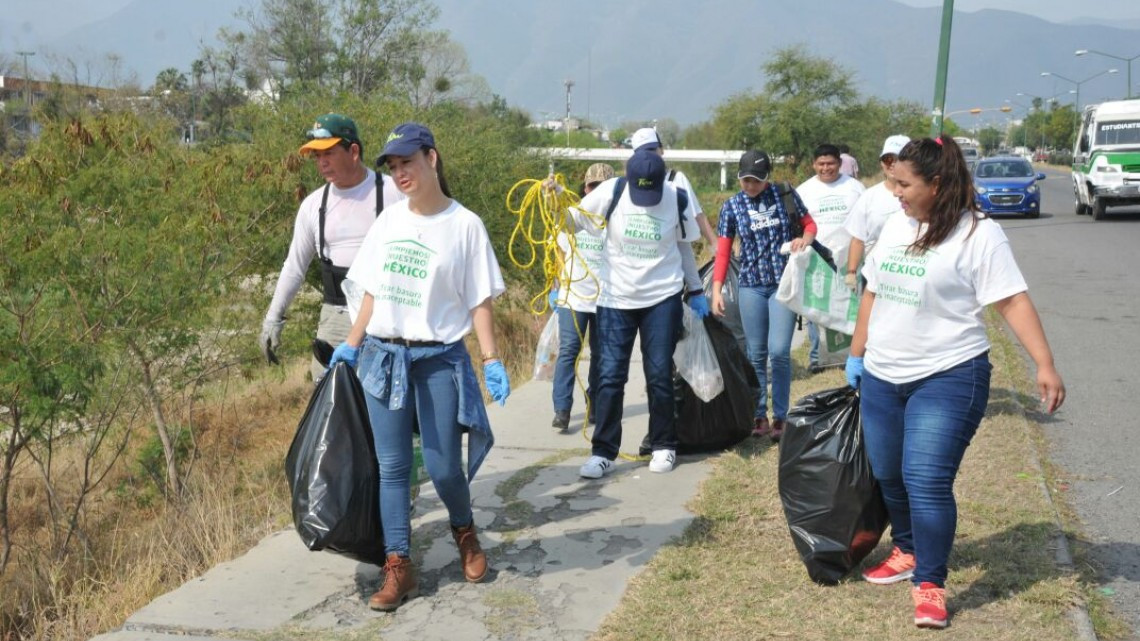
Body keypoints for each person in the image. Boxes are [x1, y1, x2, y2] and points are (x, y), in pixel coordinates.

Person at [845, 136, 1065, 629]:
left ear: (937, 184)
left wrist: (1044, 363)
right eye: (893, 182)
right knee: (889, 474)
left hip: (949, 373)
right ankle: (906, 548)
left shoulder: (978, 234)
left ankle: (930, 583)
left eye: (904, 184)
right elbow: (872, 293)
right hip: (883, 375)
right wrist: (857, 356)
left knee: (925, 479)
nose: (895, 192)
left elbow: (1012, 300)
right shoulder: (896, 224)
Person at [329, 122, 510, 612]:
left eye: (407, 161)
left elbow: (479, 300)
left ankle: (464, 532)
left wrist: (491, 358)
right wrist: (351, 344)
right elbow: (371, 290)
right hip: (384, 357)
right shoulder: (388, 221)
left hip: (437, 360)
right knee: (392, 467)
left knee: (443, 465)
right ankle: (399, 566)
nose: (399, 173)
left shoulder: (465, 225)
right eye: (392, 166)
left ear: (431, 158)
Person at [567, 148, 708, 478]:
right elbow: (572, 222)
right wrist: (554, 202)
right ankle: (603, 452)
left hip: (662, 297)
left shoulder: (676, 197)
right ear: (628, 179)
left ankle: (664, 445)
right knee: (610, 375)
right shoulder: (610, 191)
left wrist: (696, 289)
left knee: (659, 373)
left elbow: (684, 246)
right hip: (616, 299)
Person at [259, 113, 404, 380]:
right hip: (336, 319)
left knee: (387, 395)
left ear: (354, 151)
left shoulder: (394, 193)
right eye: (317, 156)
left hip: (388, 318)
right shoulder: (313, 206)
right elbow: (294, 267)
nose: (322, 162)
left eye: (328, 153)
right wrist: (273, 318)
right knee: (329, 396)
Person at [710, 150, 817, 441]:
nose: (750, 185)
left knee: (779, 352)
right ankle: (759, 414)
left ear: (767, 177)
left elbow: (810, 225)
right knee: (756, 354)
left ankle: (781, 416)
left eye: (756, 180)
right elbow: (723, 251)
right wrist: (717, 289)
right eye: (745, 180)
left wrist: (804, 240)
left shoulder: (784, 195)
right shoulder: (732, 206)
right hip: (750, 285)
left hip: (783, 285)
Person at [549, 163, 613, 431]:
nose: (596, 191)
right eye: (592, 186)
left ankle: (595, 401)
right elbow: (558, 250)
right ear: (585, 188)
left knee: (601, 354)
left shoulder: (615, 221)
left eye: (602, 187)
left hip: (605, 299)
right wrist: (555, 286)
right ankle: (562, 409)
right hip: (573, 297)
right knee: (569, 351)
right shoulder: (574, 214)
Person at [795, 143, 865, 370]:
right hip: (818, 259)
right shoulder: (804, 191)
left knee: (850, 307)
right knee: (818, 308)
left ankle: (850, 356)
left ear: (840, 163)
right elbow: (798, 224)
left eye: (831, 163)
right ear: (814, 164)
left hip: (849, 259)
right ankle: (818, 358)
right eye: (821, 164)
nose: (826, 168)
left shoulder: (855, 188)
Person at [630, 127, 719, 248]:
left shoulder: (677, 179)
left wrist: (716, 245)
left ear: (661, 149)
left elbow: (698, 214)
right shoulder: (629, 185)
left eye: (652, 150)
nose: (649, 156)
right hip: (644, 248)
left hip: (677, 246)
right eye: (643, 153)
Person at [843, 135, 910, 290]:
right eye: (888, 159)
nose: (892, 164)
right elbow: (858, 238)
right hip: (874, 275)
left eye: (899, 159)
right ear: (881, 163)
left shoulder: (921, 195)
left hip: (910, 274)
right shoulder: (869, 196)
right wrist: (851, 273)